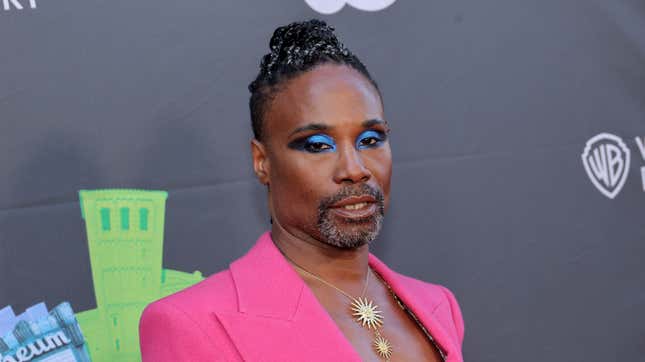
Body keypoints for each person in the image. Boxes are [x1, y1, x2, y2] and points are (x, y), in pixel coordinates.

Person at [139, 19, 464, 362]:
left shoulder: (439, 307)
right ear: (262, 161)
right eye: (317, 145)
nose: (355, 169)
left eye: (370, 140)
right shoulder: (192, 325)